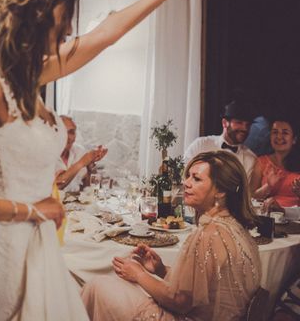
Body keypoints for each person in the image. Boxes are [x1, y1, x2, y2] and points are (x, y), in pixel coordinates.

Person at [0, 0, 215, 320]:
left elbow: (103, 35)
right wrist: (32, 210)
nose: (69, 29)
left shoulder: (28, 74)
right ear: (35, 19)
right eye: (63, 19)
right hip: (8, 245)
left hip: (40, 240)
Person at [82, 151, 261, 320]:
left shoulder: (209, 234)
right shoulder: (234, 226)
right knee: (109, 286)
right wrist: (160, 269)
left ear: (221, 191)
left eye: (196, 179)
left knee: (97, 287)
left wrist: (138, 274)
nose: (187, 183)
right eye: (188, 176)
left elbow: (180, 302)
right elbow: (205, 286)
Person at [184, 100, 257, 178]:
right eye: (239, 122)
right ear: (224, 123)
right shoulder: (201, 145)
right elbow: (182, 173)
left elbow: (245, 189)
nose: (244, 129)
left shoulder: (250, 158)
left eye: (248, 125)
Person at [250, 115, 300, 209]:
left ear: (294, 139)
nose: (279, 136)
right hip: (266, 219)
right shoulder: (261, 162)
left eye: (285, 133)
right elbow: (250, 198)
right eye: (275, 132)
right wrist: (268, 186)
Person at [55, 115, 107, 191]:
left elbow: (91, 188)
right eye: (63, 132)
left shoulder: (79, 151)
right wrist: (82, 162)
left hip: (73, 202)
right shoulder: (44, 154)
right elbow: (56, 186)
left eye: (71, 132)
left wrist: (90, 168)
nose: (68, 137)